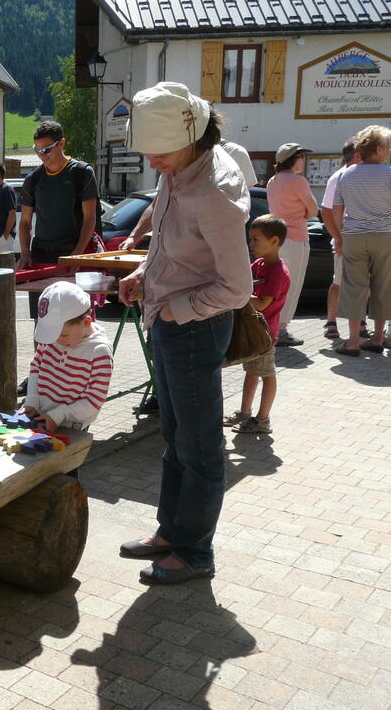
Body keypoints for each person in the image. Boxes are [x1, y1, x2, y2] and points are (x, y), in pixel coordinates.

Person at [117, 82, 251, 585]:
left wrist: (176, 308)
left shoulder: (214, 188)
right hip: (170, 318)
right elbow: (170, 244)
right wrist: (142, 277)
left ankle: (195, 552)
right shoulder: (181, 167)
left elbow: (237, 289)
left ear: (191, 136)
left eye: (160, 152)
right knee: (174, 437)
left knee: (199, 446)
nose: (153, 161)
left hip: (194, 327)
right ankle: (171, 531)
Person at [16, 121, 101, 320]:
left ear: (61, 143)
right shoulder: (33, 179)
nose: (41, 154)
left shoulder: (82, 172)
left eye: (46, 149)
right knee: (42, 319)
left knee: (74, 320)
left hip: (72, 255)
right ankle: (42, 353)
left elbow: (90, 219)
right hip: (40, 257)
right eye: (36, 149)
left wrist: (76, 256)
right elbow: (25, 222)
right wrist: (26, 253)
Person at [120, 139, 257, 250]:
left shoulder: (234, 153)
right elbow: (158, 203)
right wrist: (134, 237)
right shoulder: (178, 156)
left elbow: (243, 202)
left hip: (214, 247)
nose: (153, 165)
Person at [224, 215, 290, 434]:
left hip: (264, 334)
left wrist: (240, 292)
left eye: (255, 239)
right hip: (251, 331)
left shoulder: (278, 272)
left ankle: (262, 420)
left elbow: (262, 304)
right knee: (251, 372)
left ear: (274, 241)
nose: (251, 244)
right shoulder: (259, 264)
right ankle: (245, 413)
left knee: (267, 374)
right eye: (250, 239)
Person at [20, 282, 113, 434]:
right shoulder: (52, 340)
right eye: (52, 334)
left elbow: (93, 401)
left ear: (86, 322)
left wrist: (59, 415)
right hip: (39, 415)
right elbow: (36, 368)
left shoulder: (99, 351)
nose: (57, 340)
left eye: (63, 335)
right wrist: (32, 401)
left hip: (71, 424)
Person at [331, 125, 391, 356]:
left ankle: (353, 341)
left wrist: (340, 236)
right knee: (383, 286)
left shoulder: (346, 174)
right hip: (384, 235)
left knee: (354, 287)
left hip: (354, 235)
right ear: (378, 149)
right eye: (387, 146)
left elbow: (337, 211)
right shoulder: (389, 174)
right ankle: (377, 337)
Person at [266, 143, 317, 346]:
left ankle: (272, 325)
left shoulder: (272, 181)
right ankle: (282, 329)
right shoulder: (298, 181)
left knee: (276, 283)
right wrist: (302, 213)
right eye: (301, 156)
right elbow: (313, 211)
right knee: (292, 285)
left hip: (276, 237)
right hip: (296, 237)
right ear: (293, 160)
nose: (303, 160)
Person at [319, 139, 368, 341]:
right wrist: (337, 238)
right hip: (345, 240)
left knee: (364, 284)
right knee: (339, 283)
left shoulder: (363, 176)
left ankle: (361, 321)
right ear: (356, 155)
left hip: (362, 238)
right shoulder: (338, 177)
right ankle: (331, 322)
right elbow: (326, 211)